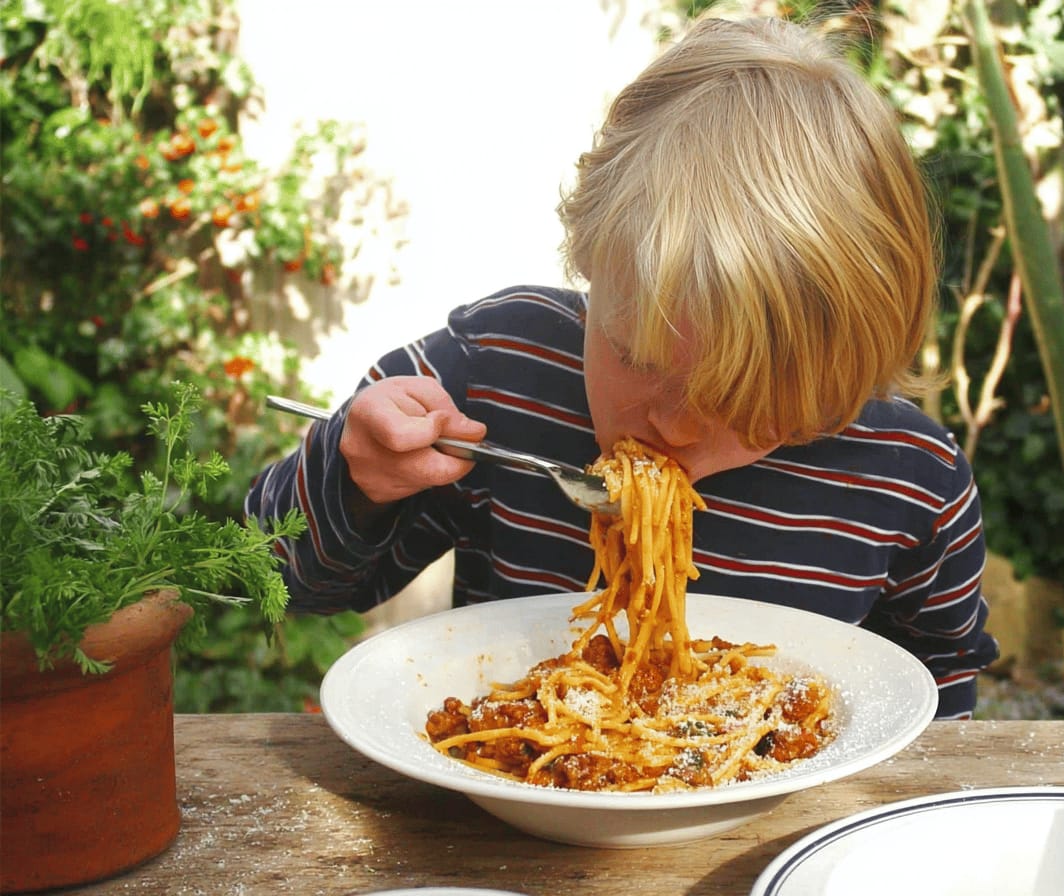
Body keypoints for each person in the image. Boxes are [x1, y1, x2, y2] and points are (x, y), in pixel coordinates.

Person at [245, 15, 998, 719]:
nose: (670, 424)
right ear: (588, 262)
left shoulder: (908, 482)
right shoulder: (493, 374)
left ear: (841, 379)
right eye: (635, 357)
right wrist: (357, 478)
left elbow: (934, 696)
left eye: (741, 400)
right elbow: (282, 579)